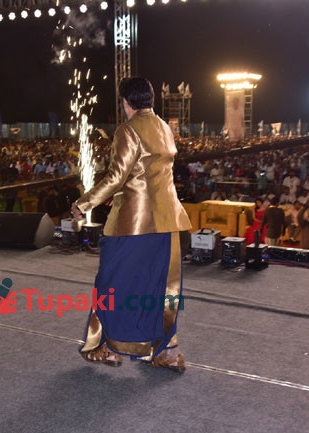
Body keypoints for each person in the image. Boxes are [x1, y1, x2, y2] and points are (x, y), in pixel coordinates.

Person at [71, 77, 192, 373]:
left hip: (133, 224)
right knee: (159, 288)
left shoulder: (127, 130)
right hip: (168, 220)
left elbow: (116, 177)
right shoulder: (164, 127)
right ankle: (166, 352)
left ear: (126, 102)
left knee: (110, 284)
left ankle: (108, 348)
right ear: (151, 98)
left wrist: (84, 203)